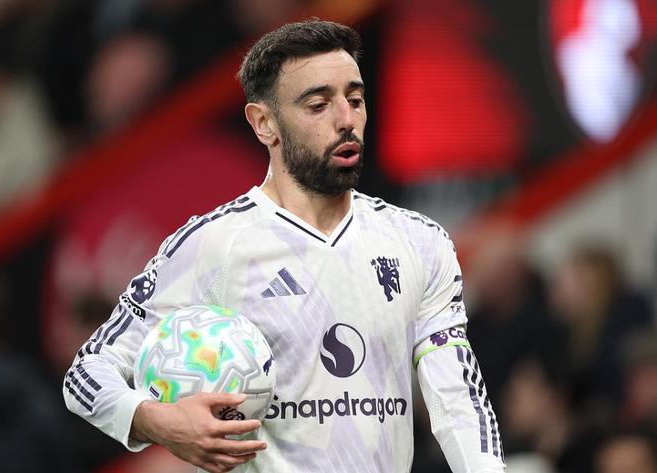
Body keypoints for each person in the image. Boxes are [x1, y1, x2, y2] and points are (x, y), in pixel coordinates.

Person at [63, 19, 505, 473]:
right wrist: (159, 422)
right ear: (264, 124)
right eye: (318, 105)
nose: (346, 120)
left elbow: (458, 402)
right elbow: (86, 375)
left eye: (355, 100)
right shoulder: (211, 246)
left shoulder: (419, 242)